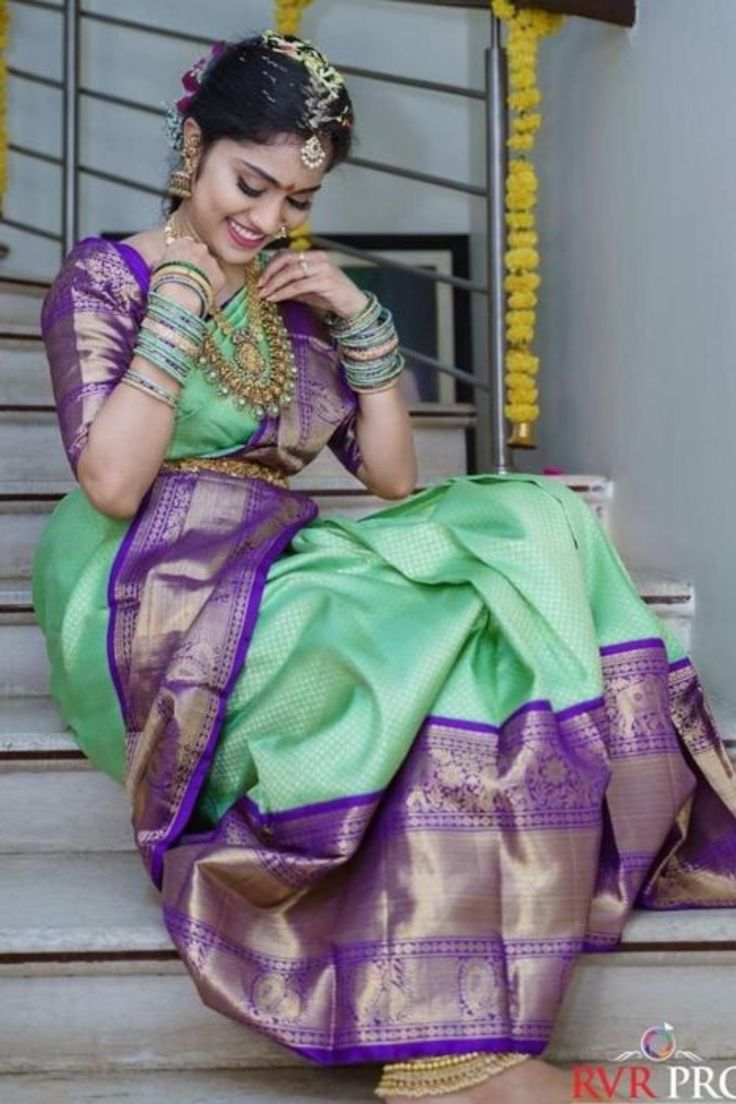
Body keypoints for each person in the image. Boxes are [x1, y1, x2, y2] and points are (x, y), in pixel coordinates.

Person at [31, 29, 736, 1104]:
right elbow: (115, 484)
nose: (264, 221)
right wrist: (176, 300)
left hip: (274, 553)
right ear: (191, 146)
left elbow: (397, 478)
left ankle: (448, 1024)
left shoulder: (288, 295)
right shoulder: (106, 275)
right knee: (405, 632)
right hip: (145, 579)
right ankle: (443, 1043)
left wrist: (360, 323)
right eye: (247, 182)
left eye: (292, 201)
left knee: (517, 522)